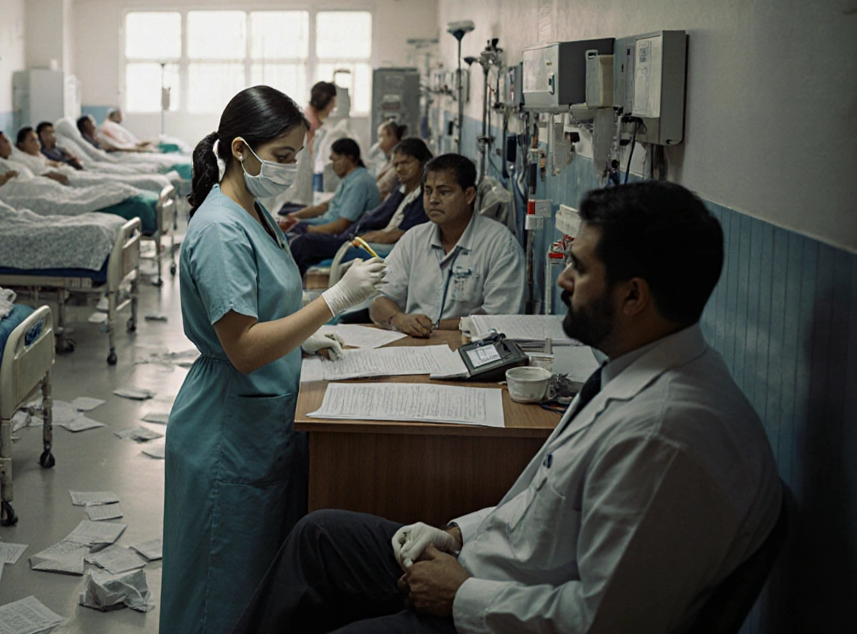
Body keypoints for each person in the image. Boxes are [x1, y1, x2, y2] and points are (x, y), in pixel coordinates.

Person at [231, 180, 782, 634]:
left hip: (495, 612)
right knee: (319, 536)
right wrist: (454, 534)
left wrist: (462, 595)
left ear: (633, 296)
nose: (563, 278)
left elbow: (604, 622)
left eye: (581, 268)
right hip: (482, 566)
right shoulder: (624, 374)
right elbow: (538, 506)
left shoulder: (663, 436)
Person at [162, 85, 389, 634]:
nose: (291, 167)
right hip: (225, 431)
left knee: (253, 587)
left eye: (297, 155)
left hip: (258, 420)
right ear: (240, 149)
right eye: (283, 156)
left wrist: (301, 338)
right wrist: (333, 302)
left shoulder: (256, 213)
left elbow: (263, 311)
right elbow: (242, 348)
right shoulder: (220, 229)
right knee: (219, 592)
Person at [369, 154, 524, 334]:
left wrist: (433, 326)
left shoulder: (500, 246)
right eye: (428, 191)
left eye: (444, 192)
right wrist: (399, 319)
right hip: (414, 347)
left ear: (469, 195)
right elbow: (379, 301)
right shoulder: (413, 240)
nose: (433, 199)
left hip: (470, 349)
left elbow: (498, 318)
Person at [288, 137, 432, 276]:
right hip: (357, 236)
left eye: (406, 163)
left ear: (423, 163)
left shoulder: (422, 197)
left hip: (372, 245)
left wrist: (370, 237)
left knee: (301, 244)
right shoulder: (402, 190)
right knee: (294, 237)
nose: (400, 169)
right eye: (396, 165)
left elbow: (401, 233)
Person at [279, 138, 380, 236]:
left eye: (335, 160)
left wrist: (307, 229)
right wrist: (294, 217)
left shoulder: (359, 183)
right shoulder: (349, 179)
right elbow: (324, 207)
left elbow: (342, 225)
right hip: (326, 222)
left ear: (350, 158)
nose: (332, 166)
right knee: (286, 213)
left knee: (291, 234)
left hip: (338, 233)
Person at [272, 81, 338, 213]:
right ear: (324, 101)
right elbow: (300, 167)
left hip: (299, 190)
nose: (334, 107)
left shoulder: (313, 125)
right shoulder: (305, 126)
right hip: (294, 192)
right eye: (332, 103)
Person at [0, 131, 69, 186]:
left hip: (35, 184)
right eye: (5, 142)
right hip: (27, 189)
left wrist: (45, 177)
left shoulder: (9, 160)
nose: (9, 145)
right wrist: (6, 177)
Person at [370, 121, 407, 200]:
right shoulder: (388, 158)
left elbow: (386, 185)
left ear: (392, 137)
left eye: (381, 136)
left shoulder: (400, 158)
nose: (379, 142)